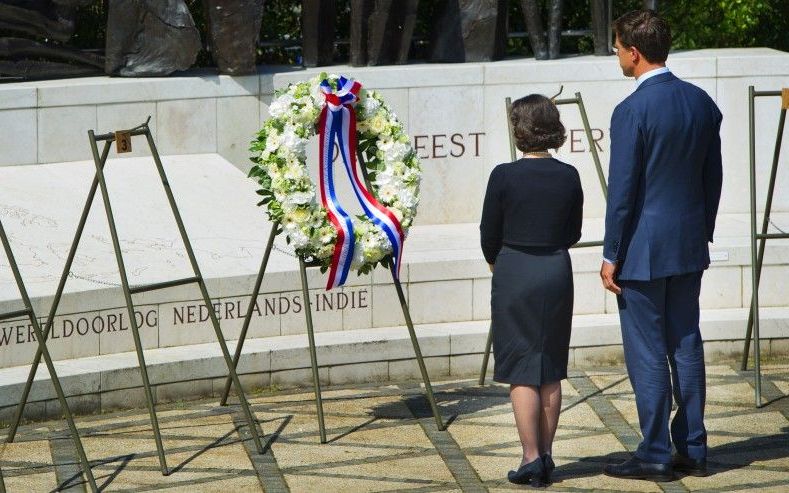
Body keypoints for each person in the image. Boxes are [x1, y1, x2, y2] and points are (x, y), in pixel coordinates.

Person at [600, 9, 723, 481]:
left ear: (634, 52)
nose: (616, 54)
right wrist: (702, 231)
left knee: (648, 352)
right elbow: (713, 177)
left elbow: (623, 191)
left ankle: (653, 452)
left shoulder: (631, 110)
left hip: (643, 251)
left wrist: (612, 253)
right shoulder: (701, 102)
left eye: (617, 47)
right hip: (688, 245)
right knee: (686, 343)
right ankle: (692, 446)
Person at [480, 94, 583, 486]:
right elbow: (573, 231)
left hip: (515, 270)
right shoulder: (569, 174)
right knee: (549, 367)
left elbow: (489, 234)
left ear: (519, 129)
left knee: (523, 369)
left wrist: (501, 263)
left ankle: (530, 457)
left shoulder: (503, 175)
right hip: (556, 268)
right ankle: (547, 455)